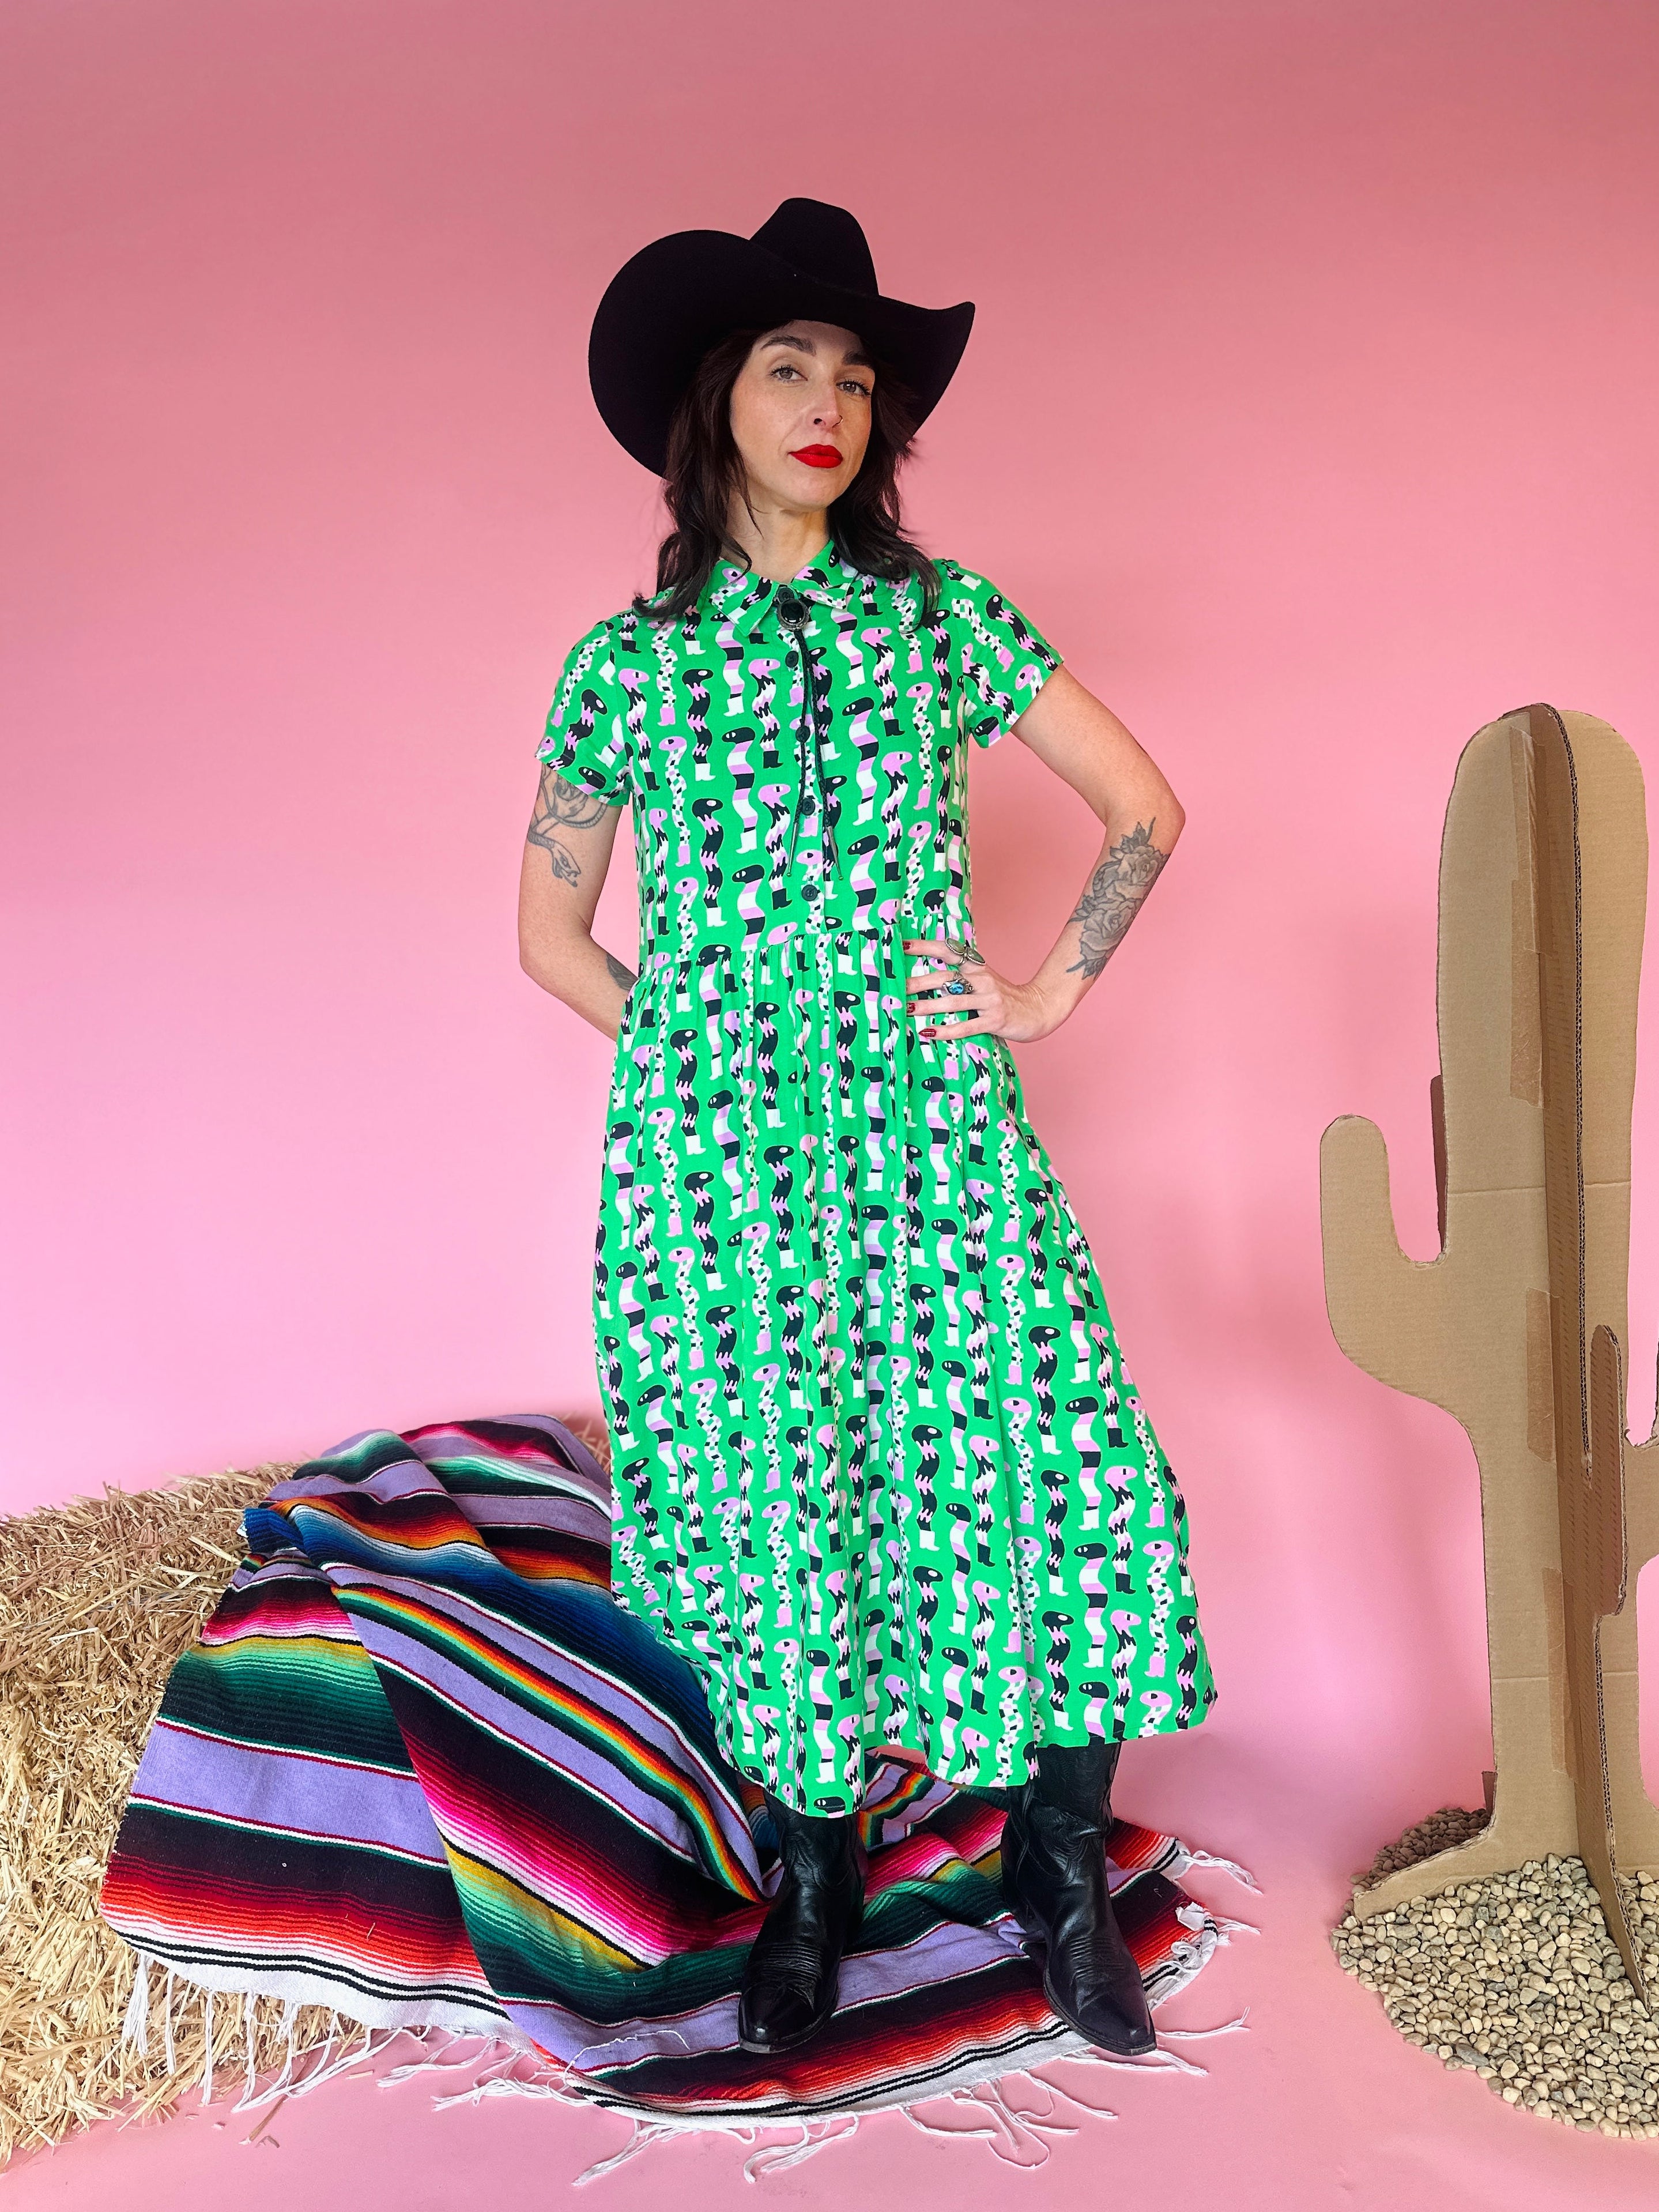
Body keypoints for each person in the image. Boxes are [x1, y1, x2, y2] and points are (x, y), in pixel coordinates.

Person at [518, 198, 1217, 2066]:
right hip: (725, 1173)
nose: (829, 400)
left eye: (857, 375)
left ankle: (1056, 1869)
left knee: (1060, 1459)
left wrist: (1041, 995)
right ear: (712, 401)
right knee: (781, 1504)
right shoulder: (626, 663)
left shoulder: (944, 617)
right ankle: (812, 1884)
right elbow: (544, 936)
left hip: (938, 1139)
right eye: (787, 364)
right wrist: (689, 1048)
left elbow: (1142, 805)